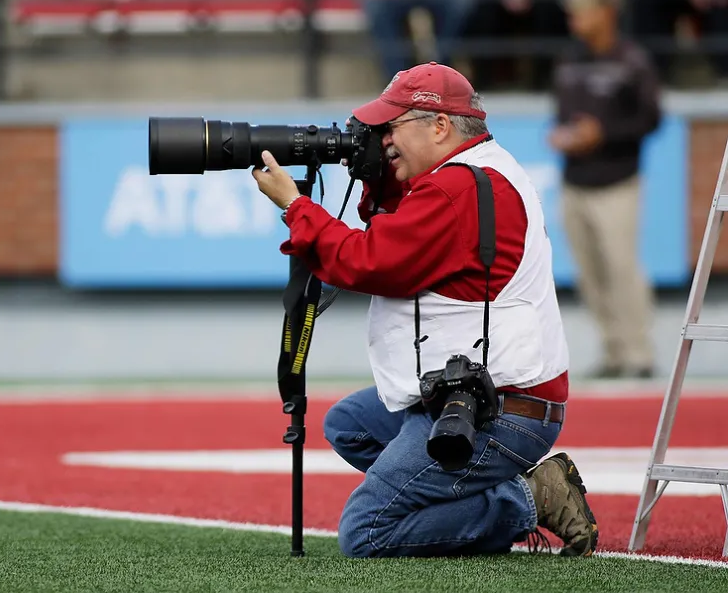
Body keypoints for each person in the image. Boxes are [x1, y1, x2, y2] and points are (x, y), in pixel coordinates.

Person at [251, 61, 598, 558]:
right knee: (349, 425)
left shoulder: (455, 189)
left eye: (391, 127)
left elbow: (370, 261)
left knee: (366, 533)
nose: (382, 138)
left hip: (500, 407)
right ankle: (479, 496)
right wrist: (377, 175)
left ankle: (530, 498)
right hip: (468, 389)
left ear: (439, 126)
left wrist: (295, 207)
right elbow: (403, 231)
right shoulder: (476, 171)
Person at [549, 0, 661, 380]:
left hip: (617, 180)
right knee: (590, 273)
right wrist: (564, 136)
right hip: (575, 181)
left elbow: (651, 119)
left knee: (621, 268)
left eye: (583, 8)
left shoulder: (632, 60)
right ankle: (614, 351)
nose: (574, 16)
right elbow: (563, 115)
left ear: (607, 12)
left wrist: (603, 135)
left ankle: (639, 352)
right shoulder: (569, 59)